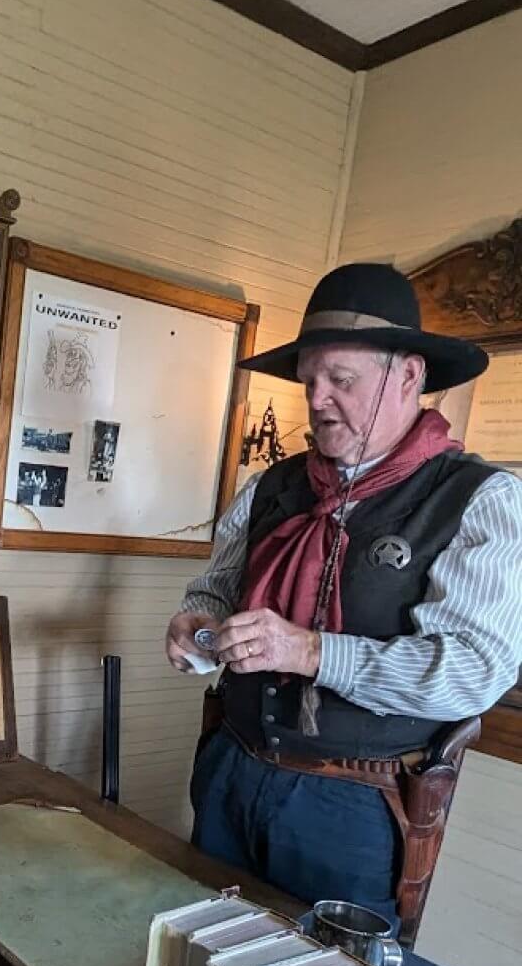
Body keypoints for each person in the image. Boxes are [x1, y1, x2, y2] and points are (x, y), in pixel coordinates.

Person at [165, 263, 522, 925]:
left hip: (352, 807)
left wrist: (313, 653)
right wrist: (200, 623)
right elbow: (216, 589)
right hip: (231, 770)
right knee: (201, 955)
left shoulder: (479, 501)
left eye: (341, 381)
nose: (318, 399)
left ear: (410, 376)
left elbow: (471, 672)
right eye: (310, 381)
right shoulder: (272, 487)